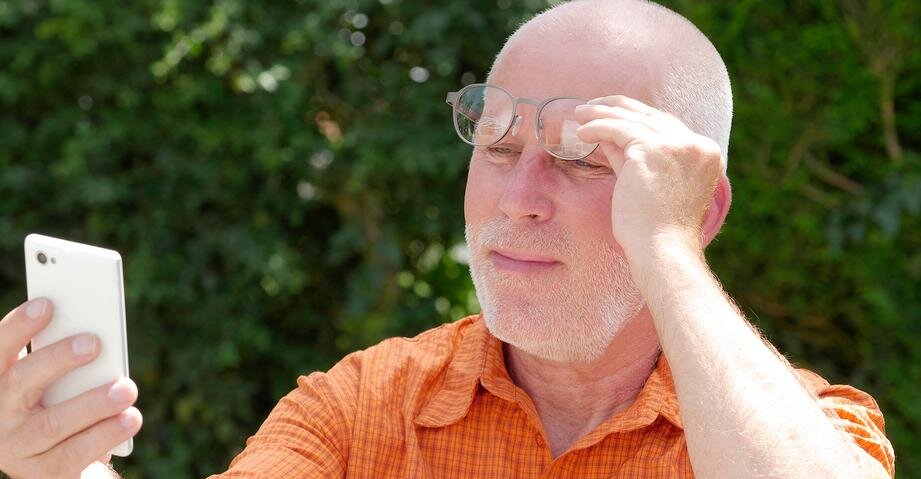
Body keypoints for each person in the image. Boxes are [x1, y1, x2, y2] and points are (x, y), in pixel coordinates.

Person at [0, 0, 896, 477]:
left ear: (696, 210)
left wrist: (667, 252)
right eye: (497, 146)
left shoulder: (798, 426)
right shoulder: (363, 408)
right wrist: (54, 474)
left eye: (582, 159)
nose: (519, 198)